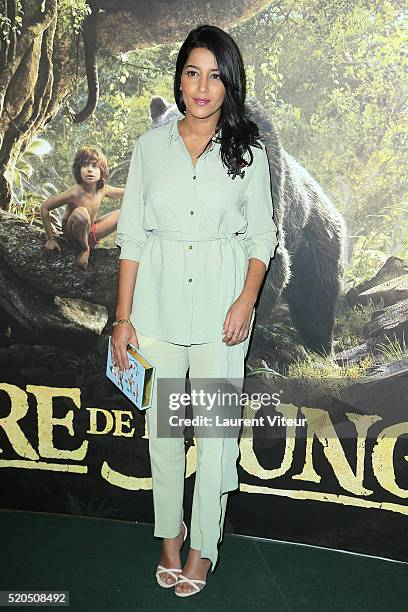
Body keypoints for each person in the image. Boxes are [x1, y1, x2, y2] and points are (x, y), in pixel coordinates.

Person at [111, 24, 278, 597]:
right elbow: (130, 237)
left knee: (212, 435)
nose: (202, 87)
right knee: (164, 434)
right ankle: (169, 539)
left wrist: (245, 300)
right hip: (155, 310)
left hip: (220, 315)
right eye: (192, 72)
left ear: (229, 85)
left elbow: (263, 238)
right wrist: (123, 319)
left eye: (214, 75)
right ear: (179, 79)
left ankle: (205, 544)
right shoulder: (148, 149)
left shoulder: (248, 152)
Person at [40, 146, 124, 268]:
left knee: (125, 213)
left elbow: (129, 193)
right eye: (85, 166)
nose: (90, 170)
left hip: (90, 233)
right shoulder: (74, 193)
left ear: (102, 171)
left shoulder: (103, 189)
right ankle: (85, 249)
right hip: (73, 236)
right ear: (78, 170)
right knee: (82, 213)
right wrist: (51, 238)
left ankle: (126, 246)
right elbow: (44, 208)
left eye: (94, 166)